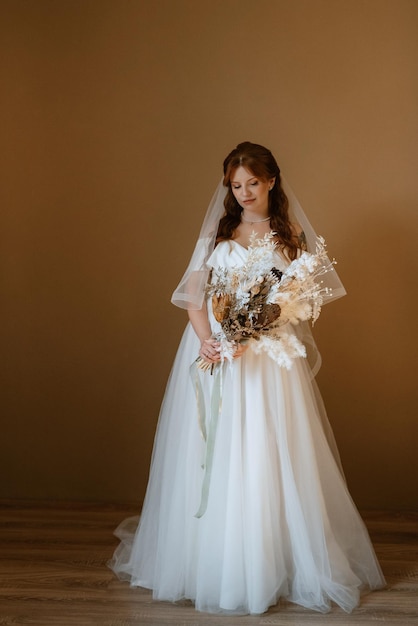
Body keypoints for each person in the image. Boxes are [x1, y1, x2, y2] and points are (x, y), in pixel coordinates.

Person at [109, 141, 385, 615]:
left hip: (266, 358)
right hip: (217, 348)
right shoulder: (219, 233)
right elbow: (194, 298)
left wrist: (254, 332)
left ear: (271, 180)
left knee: (264, 450)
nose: (243, 194)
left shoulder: (288, 234)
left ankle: (268, 560)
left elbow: (294, 302)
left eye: (252, 184)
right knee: (210, 452)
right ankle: (212, 560)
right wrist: (208, 341)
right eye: (235, 186)